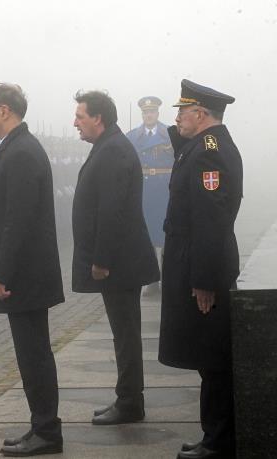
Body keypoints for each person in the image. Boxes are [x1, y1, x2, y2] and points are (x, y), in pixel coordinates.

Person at [0, 82, 64, 456]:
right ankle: (42, 426)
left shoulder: (22, 152)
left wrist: (2, 273)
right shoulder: (17, 146)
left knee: (34, 354)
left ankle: (47, 431)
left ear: (5, 111)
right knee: (32, 353)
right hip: (27, 273)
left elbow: (18, 220)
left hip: (25, 275)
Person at [158, 80, 241, 459]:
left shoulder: (210, 153)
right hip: (195, 259)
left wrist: (204, 280)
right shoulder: (204, 146)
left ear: (201, 113)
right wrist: (181, 134)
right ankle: (214, 435)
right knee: (207, 358)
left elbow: (211, 219)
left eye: (182, 111)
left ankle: (219, 441)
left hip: (204, 266)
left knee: (213, 358)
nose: (176, 118)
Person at [72, 90, 160, 425]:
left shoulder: (112, 150)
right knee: (124, 333)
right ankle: (128, 398)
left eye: (80, 116)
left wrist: (101, 260)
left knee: (125, 334)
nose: (75, 123)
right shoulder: (109, 146)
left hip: (119, 263)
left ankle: (129, 403)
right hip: (120, 260)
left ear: (98, 118)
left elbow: (112, 211)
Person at [126, 96, 174, 295]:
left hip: (165, 191)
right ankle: (152, 279)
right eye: (145, 112)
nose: (149, 115)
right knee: (146, 236)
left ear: (157, 113)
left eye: (152, 112)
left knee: (167, 235)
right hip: (144, 192)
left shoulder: (170, 134)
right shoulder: (132, 136)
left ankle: (169, 279)